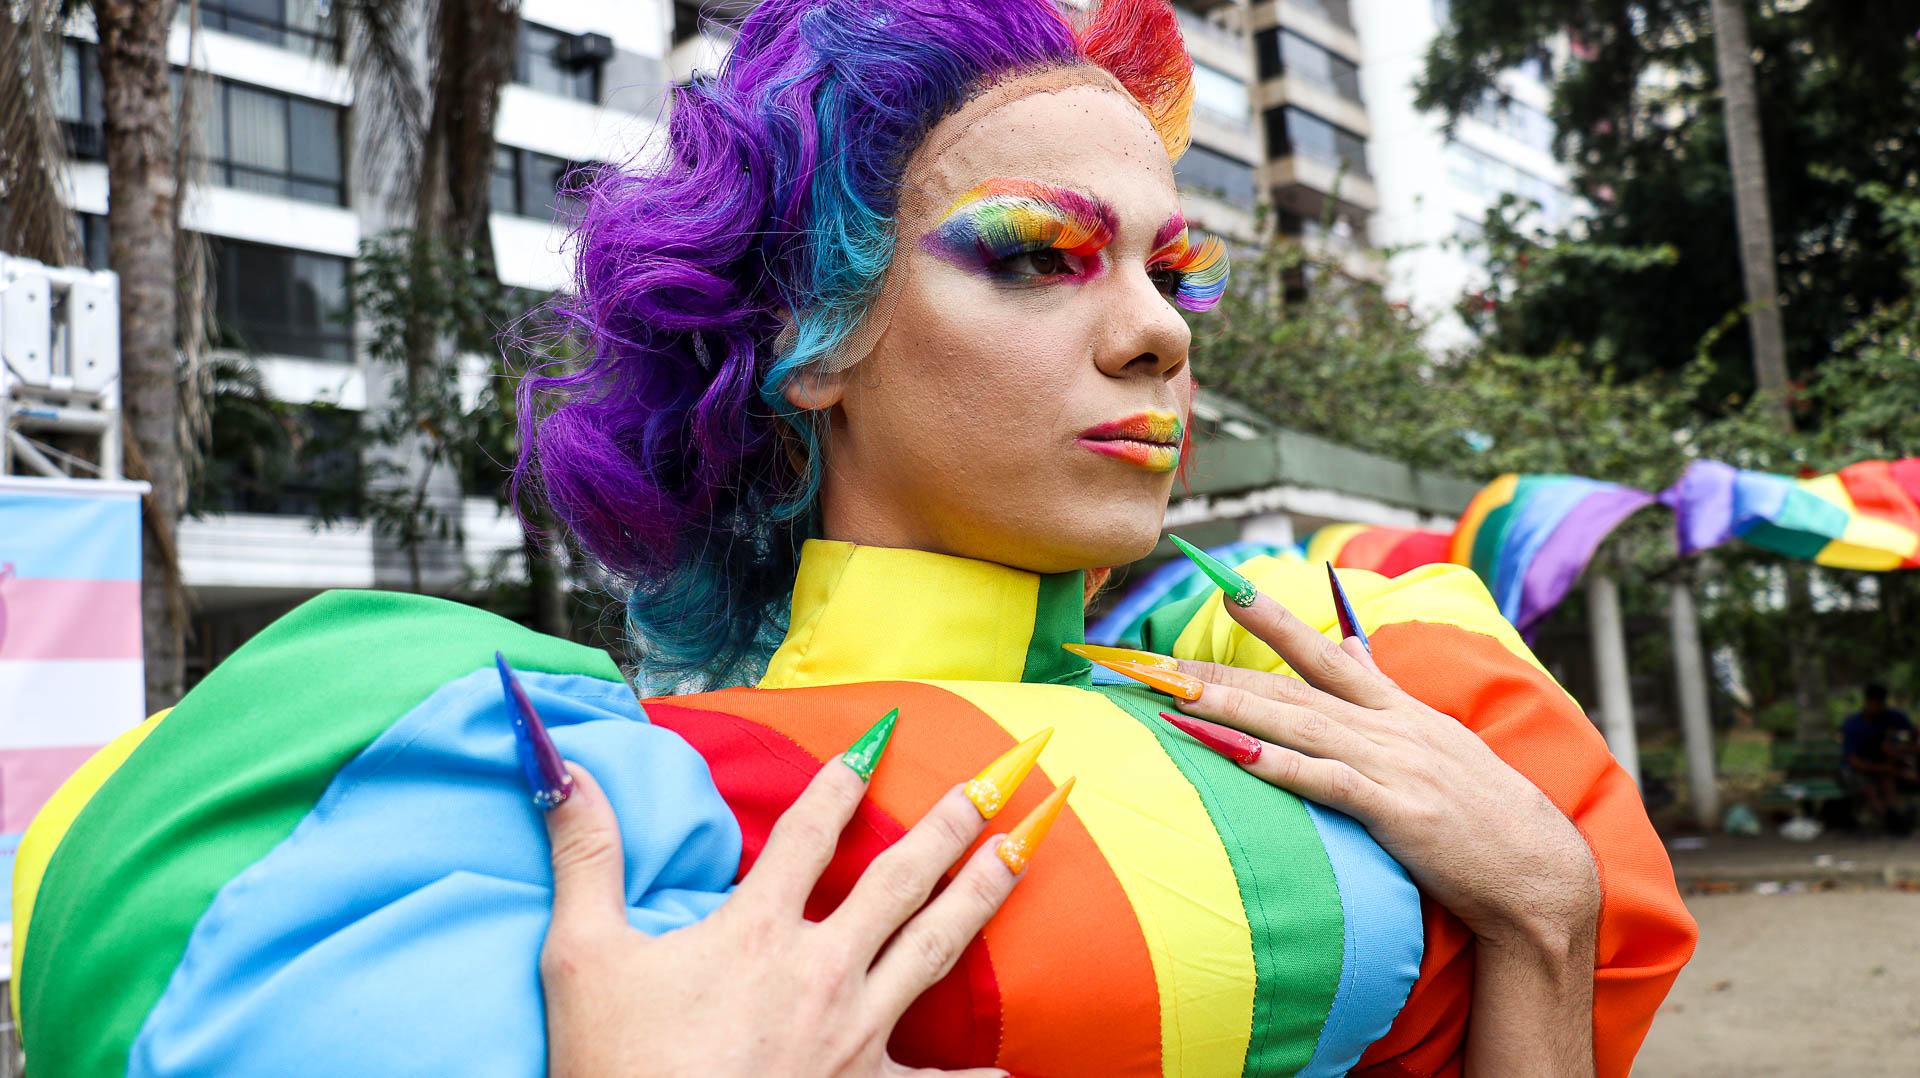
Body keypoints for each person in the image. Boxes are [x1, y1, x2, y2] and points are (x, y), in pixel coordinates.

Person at [11, 1, 1696, 1075]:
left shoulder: (1340, 684)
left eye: (1175, 273)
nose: (1159, 334)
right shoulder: (579, 797)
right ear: (813, 334)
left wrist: (1545, 921)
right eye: (1041, 253)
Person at [1840, 683, 1918, 831]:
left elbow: (1913, 735)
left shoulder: (1893, 718)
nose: (1877, 707)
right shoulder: (1854, 724)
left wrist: (1900, 751)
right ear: (1867, 702)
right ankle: (1889, 821)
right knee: (1870, 786)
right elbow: (1853, 761)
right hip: (1859, 769)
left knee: (1888, 781)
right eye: (1874, 703)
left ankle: (1895, 816)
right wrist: (1881, 767)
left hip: (1885, 767)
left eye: (1880, 703)